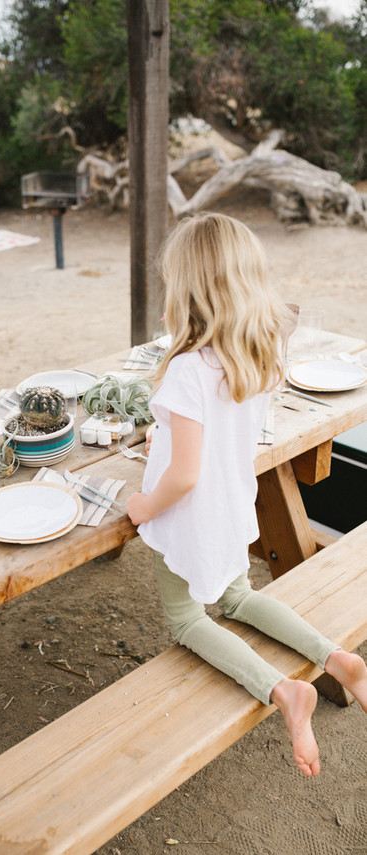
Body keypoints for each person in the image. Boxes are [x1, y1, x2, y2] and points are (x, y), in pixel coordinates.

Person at [127, 212, 367, 777]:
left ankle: (283, 690)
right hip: (234, 504)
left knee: (188, 620)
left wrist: (143, 508)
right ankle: (337, 659)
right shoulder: (257, 352)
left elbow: (183, 475)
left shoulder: (186, 370)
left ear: (188, 290)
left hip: (188, 516)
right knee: (236, 599)